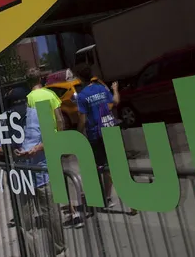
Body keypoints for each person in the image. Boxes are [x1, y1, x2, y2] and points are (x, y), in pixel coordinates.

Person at [16, 100, 66, 255]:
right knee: (27, 222)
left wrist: (36, 149)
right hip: (22, 179)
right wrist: (12, 151)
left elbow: (51, 137)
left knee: (51, 216)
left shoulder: (37, 114)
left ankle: (58, 249)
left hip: (42, 175)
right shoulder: (7, 119)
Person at [73, 63, 121, 208]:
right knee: (111, 165)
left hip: (95, 133)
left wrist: (78, 134)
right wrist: (115, 89)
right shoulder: (101, 88)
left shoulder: (82, 96)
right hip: (110, 129)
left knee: (101, 165)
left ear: (80, 78)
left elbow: (82, 119)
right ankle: (107, 197)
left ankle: (98, 195)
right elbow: (116, 101)